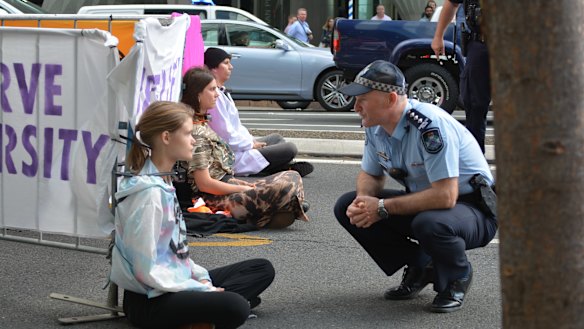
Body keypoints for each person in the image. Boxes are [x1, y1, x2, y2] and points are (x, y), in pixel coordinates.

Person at [333, 60, 497, 313]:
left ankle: (457, 276)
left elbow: (445, 196)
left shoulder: (430, 126)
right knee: (348, 206)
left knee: (430, 224)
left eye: (362, 99)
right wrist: (365, 201)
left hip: (471, 208)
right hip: (428, 203)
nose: (355, 107)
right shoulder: (376, 126)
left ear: (389, 99)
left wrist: (382, 207)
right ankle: (421, 265)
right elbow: (370, 174)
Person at [109, 101, 275, 329]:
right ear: (166, 137)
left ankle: (203, 313)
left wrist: (201, 280)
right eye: (187, 133)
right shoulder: (148, 196)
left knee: (261, 268)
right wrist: (201, 289)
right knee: (235, 306)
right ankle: (207, 312)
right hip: (151, 297)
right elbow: (145, 270)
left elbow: (176, 257)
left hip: (175, 281)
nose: (194, 140)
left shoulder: (163, 180)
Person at [180, 67, 310, 229]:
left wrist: (239, 184)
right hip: (213, 198)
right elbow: (204, 184)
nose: (217, 94)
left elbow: (219, 172)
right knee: (284, 186)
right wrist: (240, 188)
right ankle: (283, 205)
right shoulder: (196, 132)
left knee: (292, 175)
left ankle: (283, 206)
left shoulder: (202, 122)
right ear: (197, 94)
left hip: (226, 185)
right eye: (212, 89)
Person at [200, 47, 314, 177]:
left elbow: (236, 127)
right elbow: (225, 135)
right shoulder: (213, 97)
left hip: (240, 146)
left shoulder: (222, 92)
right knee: (290, 149)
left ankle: (279, 166)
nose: (231, 67)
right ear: (214, 68)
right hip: (231, 154)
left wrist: (252, 141)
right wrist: (250, 145)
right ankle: (281, 167)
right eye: (226, 63)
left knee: (276, 138)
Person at [432, 0, 490, 153]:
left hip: (514, 46)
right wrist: (438, 36)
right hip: (481, 43)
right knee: (475, 105)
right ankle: (475, 164)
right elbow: (452, 3)